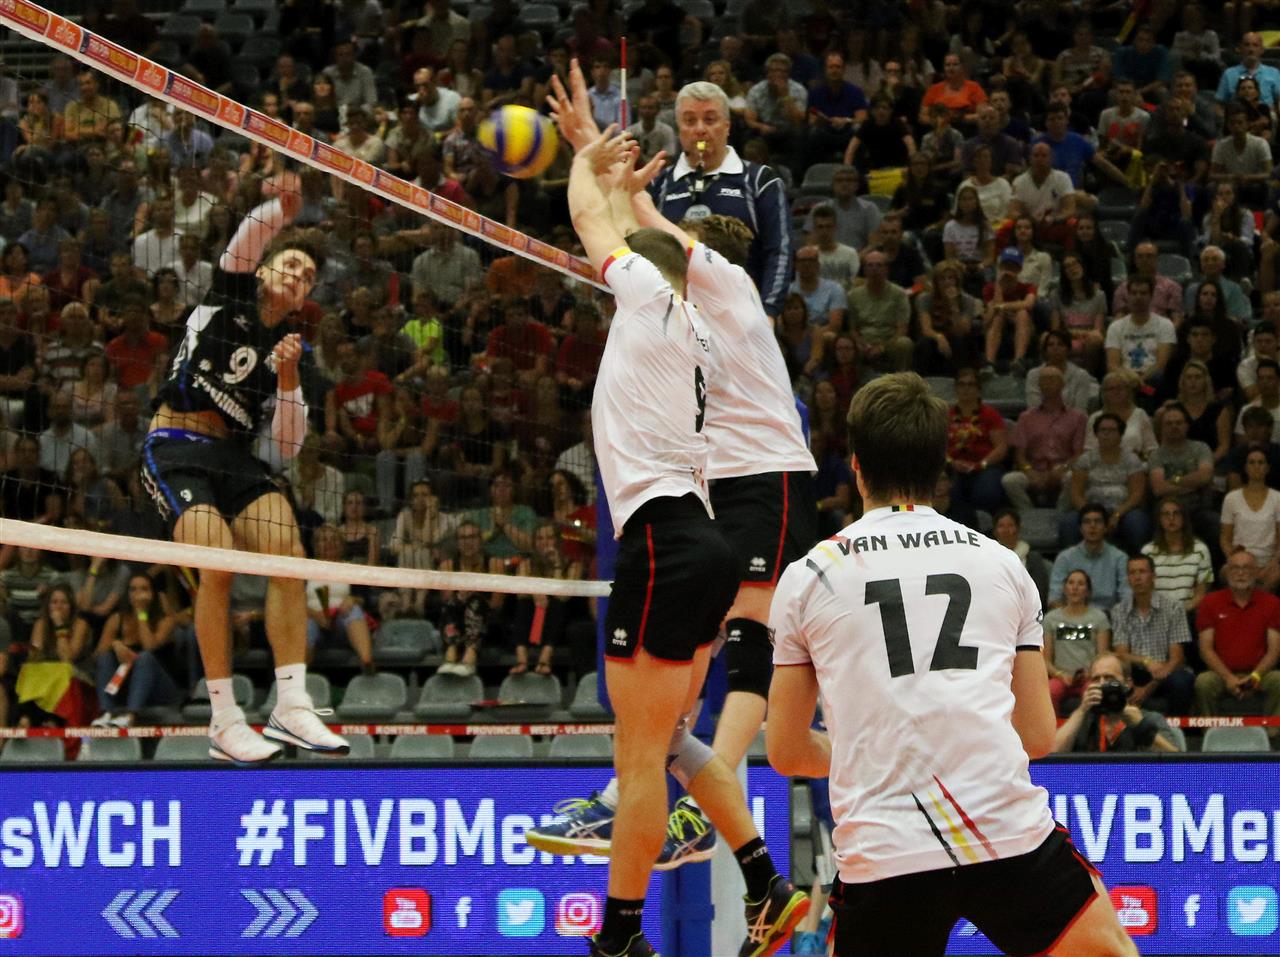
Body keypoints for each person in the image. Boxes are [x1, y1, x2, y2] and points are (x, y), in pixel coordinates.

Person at [541, 97, 805, 956]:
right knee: (678, 734)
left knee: (640, 752)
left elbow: (590, 218)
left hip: (667, 541)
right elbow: (628, 228)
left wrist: (591, 158)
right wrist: (622, 182)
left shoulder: (654, 301)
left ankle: (618, 935)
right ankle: (767, 876)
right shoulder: (691, 326)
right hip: (702, 539)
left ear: (645, 273)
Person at [767, 372, 1137, 957]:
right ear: (942, 465)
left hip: (885, 851)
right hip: (1004, 834)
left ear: (856, 465)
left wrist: (883, 750)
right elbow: (1038, 736)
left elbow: (786, 751)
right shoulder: (1003, 564)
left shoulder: (810, 575)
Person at [140, 174, 347, 764]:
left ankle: (292, 705)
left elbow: (284, 451)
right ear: (264, 272)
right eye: (289, 266)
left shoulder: (289, 350)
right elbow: (243, 244)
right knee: (220, 564)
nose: (296, 277)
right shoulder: (227, 297)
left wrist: (287, 381)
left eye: (307, 277)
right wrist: (276, 213)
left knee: (288, 555)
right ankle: (224, 717)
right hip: (175, 444)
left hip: (234, 458)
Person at [647, 79, 792, 320]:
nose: (700, 129)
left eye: (710, 119)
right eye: (690, 120)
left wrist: (769, 312)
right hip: (674, 323)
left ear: (727, 126)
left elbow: (780, 251)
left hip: (742, 320)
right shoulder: (657, 185)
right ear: (678, 127)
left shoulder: (759, 181)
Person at [1195, 549, 1280, 720]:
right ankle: (1211, 735)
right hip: (1221, 673)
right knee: (1203, 682)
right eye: (1235, 568)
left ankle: (1273, 737)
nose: (1240, 573)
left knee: (1279, 679)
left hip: (1260, 673)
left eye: (1247, 568)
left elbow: (1274, 650)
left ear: (1256, 572)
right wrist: (1228, 678)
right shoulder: (1210, 602)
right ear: (1226, 573)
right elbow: (1205, 648)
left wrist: (1255, 677)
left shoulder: (1272, 603)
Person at [92, 573, 184, 728]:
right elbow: (97, 656)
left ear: (153, 594)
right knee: (106, 657)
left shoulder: (165, 620)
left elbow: (149, 646)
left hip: (161, 689)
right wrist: (115, 644)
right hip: (126, 685)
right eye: (133, 590)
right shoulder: (117, 619)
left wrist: (142, 613)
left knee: (144, 657)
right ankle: (106, 712)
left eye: (144, 589)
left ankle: (130, 716)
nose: (138, 594)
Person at [1110, 554, 1195, 715]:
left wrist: (1148, 688)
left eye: (1142, 572)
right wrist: (1146, 661)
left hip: (1167, 671)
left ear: (1153, 575)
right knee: (1112, 679)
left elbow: (1177, 658)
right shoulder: (1119, 610)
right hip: (1135, 671)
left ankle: (1177, 731)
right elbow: (1121, 654)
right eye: (1132, 573)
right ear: (1128, 578)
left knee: (1181, 681)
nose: (1137, 577)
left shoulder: (1173, 608)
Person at [1052, 654, 1181, 753]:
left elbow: (1180, 765)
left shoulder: (1149, 719)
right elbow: (1049, 759)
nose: (1102, 684)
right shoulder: (1082, 721)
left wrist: (1142, 727)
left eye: (1109, 678)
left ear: (1127, 683)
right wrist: (1081, 711)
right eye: (1096, 679)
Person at [1002, 365, 1086, 511]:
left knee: (1073, 478)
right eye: (1044, 380)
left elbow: (1079, 453)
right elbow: (1019, 454)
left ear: (1062, 384)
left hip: (1064, 469)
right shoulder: (1026, 417)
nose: (1047, 383)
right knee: (1009, 480)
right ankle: (1029, 516)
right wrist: (1028, 470)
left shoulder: (1078, 417)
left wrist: (1063, 468)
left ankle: (1060, 516)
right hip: (1034, 469)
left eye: (1052, 379)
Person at [1062, 414, 1149, 553]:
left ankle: (1135, 563)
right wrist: (1091, 515)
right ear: (1096, 434)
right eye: (1103, 430)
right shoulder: (1085, 460)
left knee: (1137, 522)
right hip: (1090, 507)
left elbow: (1137, 494)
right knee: (1069, 523)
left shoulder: (1132, 460)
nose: (1107, 434)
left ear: (1121, 434)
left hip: (1124, 510)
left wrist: (1117, 514)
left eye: (1112, 430)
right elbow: (1076, 493)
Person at [1050, 504, 1133, 612]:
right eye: (1087, 522)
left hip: (1109, 616)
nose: (1092, 526)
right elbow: (1054, 599)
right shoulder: (1065, 558)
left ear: (1106, 527)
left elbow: (1127, 596)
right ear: (1080, 528)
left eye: (1098, 521)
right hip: (1072, 616)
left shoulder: (1120, 558)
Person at [1220, 448, 1280, 592]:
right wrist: (1234, 561)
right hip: (1240, 558)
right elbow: (1225, 538)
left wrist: (1273, 563)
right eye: (1252, 462)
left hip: (1267, 561)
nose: (1256, 466)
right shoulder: (1231, 498)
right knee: (1224, 572)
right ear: (1246, 468)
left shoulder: (1278, 498)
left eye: (1261, 462)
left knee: (1275, 576)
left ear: (1267, 468)